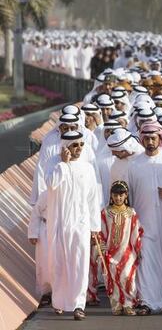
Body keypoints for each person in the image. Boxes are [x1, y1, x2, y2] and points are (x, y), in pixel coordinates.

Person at [127, 121, 162, 315]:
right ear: (142, 140)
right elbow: (130, 196)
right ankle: (146, 301)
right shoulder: (134, 164)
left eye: (153, 138)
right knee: (145, 261)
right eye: (147, 138)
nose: (150, 142)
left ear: (160, 139)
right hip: (142, 223)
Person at [45, 131, 101, 320]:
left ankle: (79, 304)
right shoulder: (54, 164)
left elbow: (93, 199)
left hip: (81, 223)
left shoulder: (87, 168)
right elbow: (51, 184)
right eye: (74, 145)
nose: (78, 149)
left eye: (80, 145)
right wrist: (63, 164)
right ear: (65, 147)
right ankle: (59, 301)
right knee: (58, 263)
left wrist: (95, 227)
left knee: (80, 263)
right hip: (59, 223)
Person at [98, 181, 143, 316]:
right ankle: (116, 305)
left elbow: (135, 231)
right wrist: (102, 248)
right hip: (110, 253)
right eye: (115, 195)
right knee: (112, 279)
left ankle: (129, 304)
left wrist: (138, 248)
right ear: (111, 196)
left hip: (127, 252)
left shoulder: (131, 212)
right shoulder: (106, 212)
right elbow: (102, 232)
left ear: (126, 196)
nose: (118, 198)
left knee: (127, 277)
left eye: (121, 195)